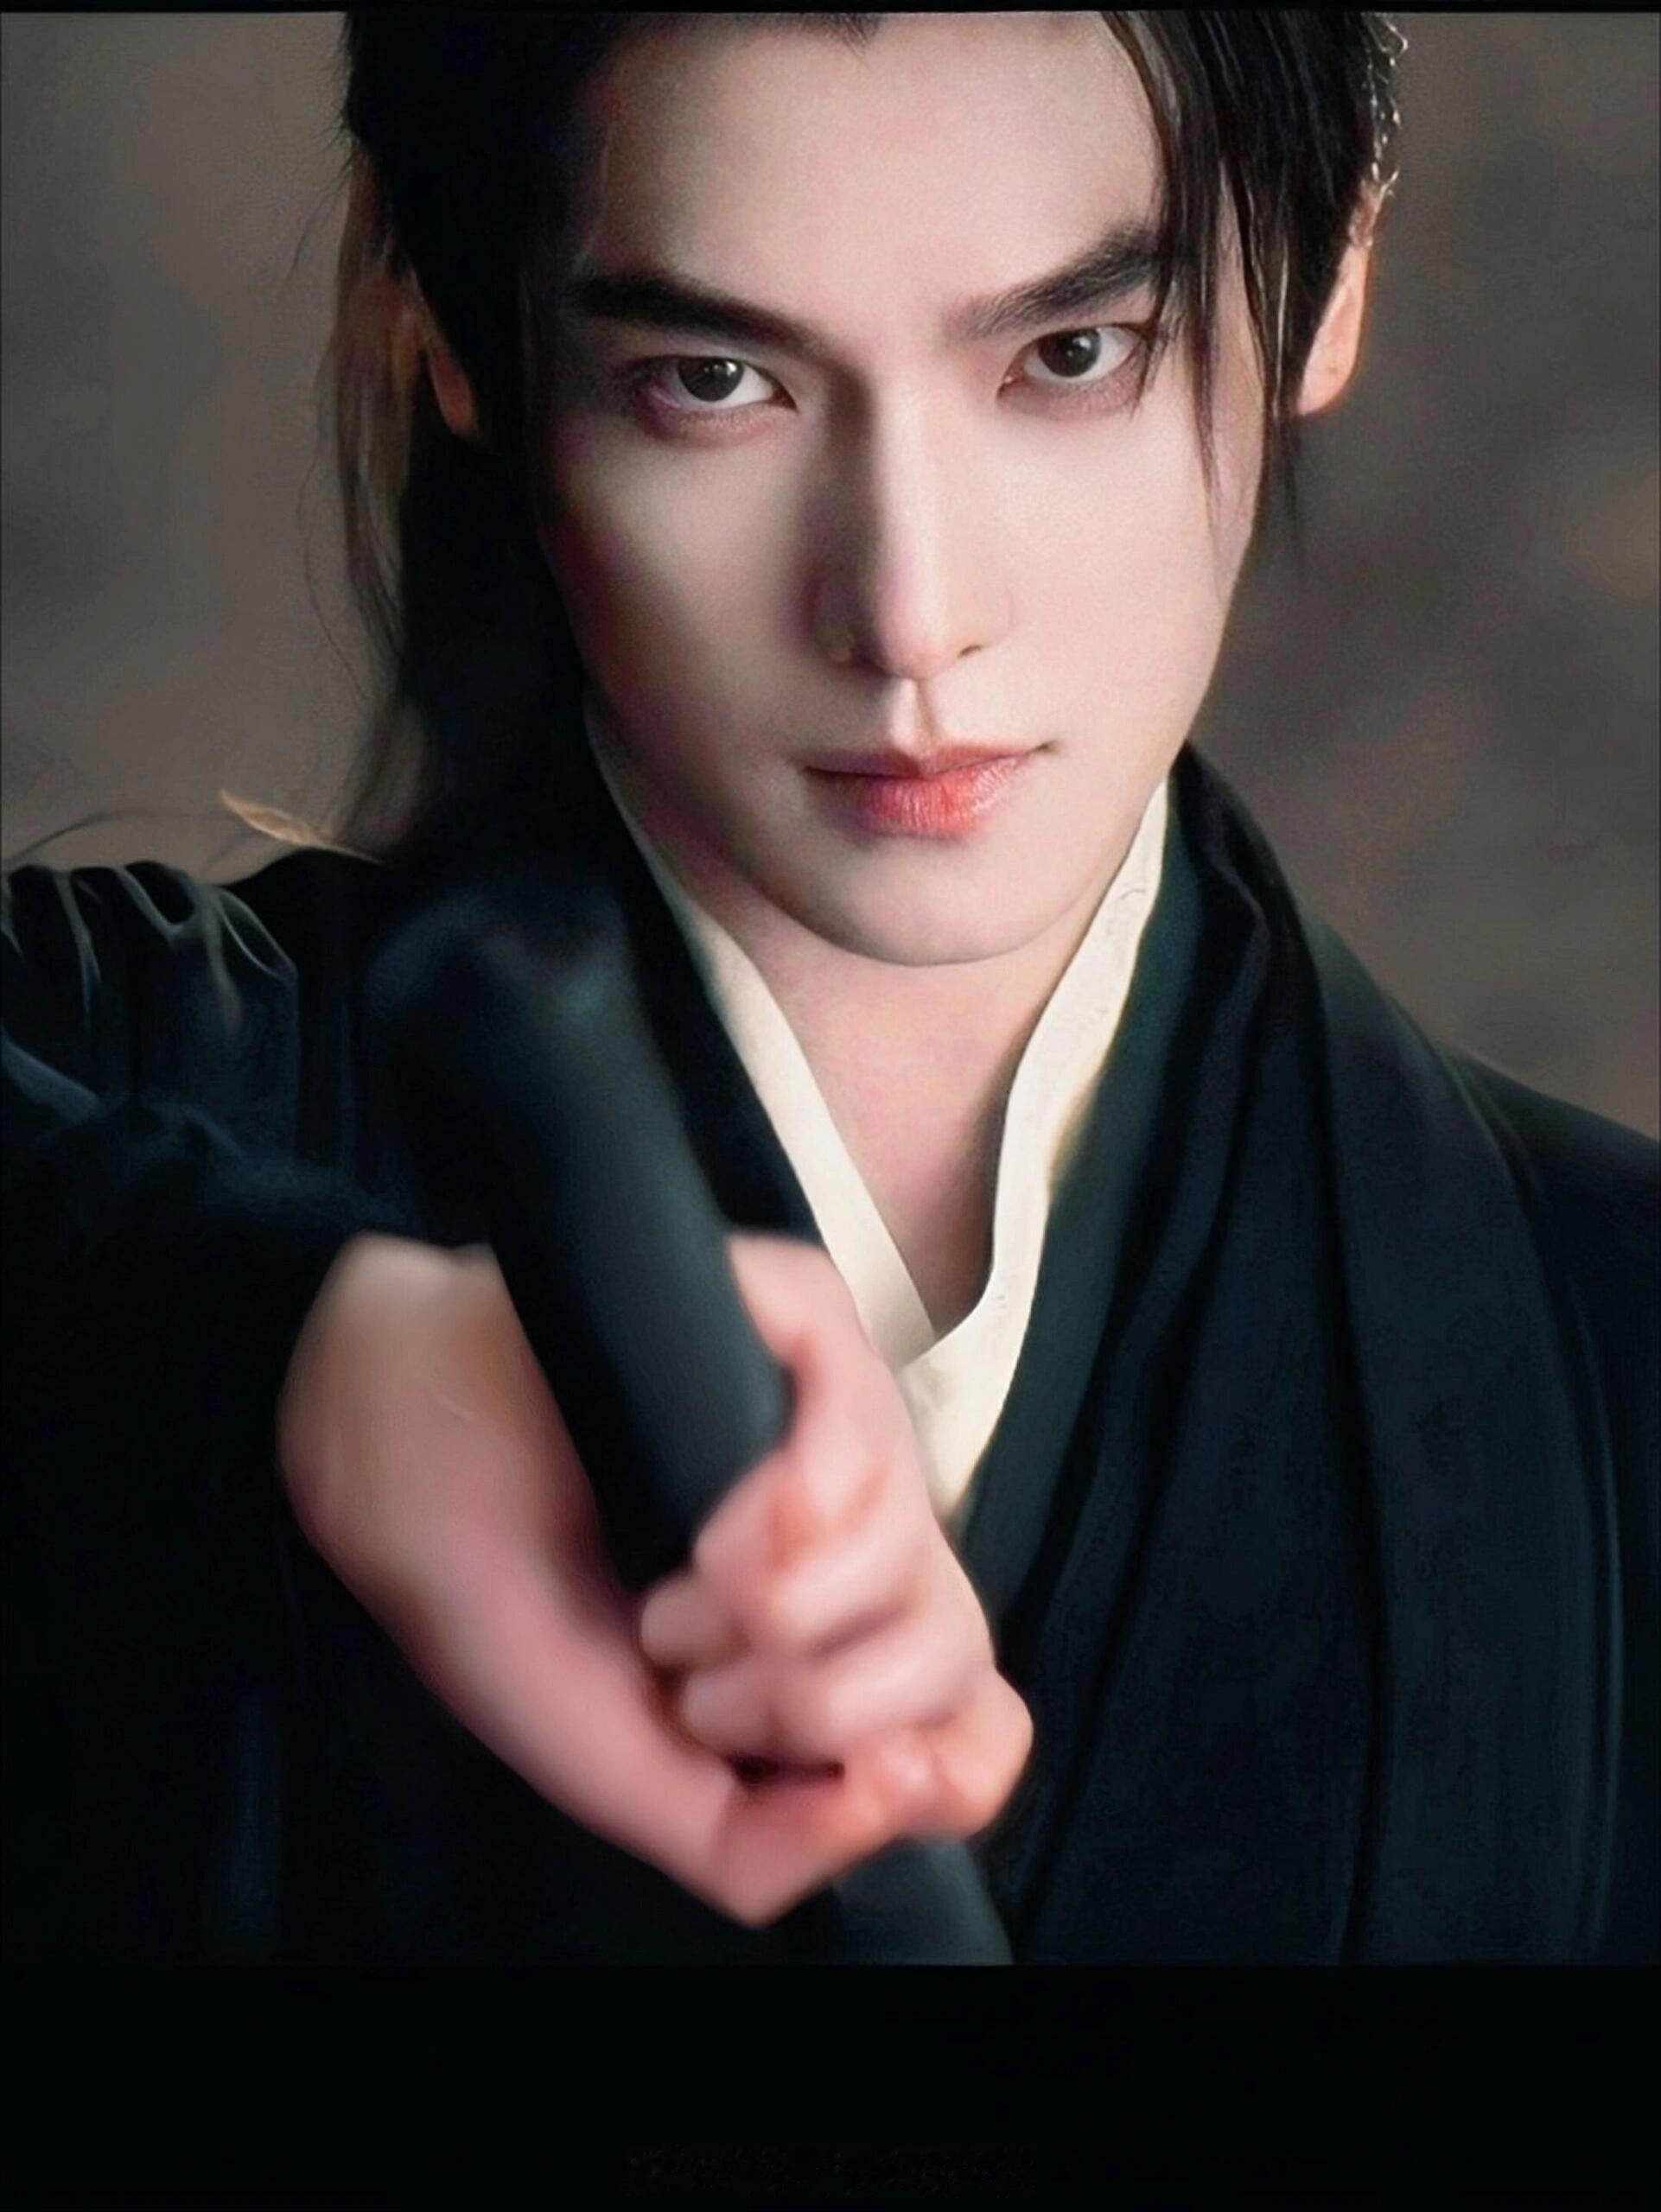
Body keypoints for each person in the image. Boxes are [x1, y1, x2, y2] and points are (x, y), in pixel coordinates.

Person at [3, 10, 1654, 1966]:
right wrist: (297, 1357)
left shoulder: (1611, 1343)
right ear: (448, 334)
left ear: (1331, 268)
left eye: (1070, 353)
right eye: (713, 380)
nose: (907, 611)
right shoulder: (123, 1079)